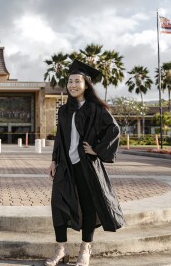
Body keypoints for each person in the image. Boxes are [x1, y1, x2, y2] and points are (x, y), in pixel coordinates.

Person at [45, 60, 125, 266]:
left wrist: (97, 150)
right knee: (58, 204)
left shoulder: (95, 108)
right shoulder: (64, 110)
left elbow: (114, 130)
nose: (72, 85)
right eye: (70, 81)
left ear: (86, 84)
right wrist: (54, 160)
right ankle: (61, 249)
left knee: (88, 206)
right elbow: (60, 137)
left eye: (77, 81)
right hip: (65, 164)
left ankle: (85, 248)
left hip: (86, 164)